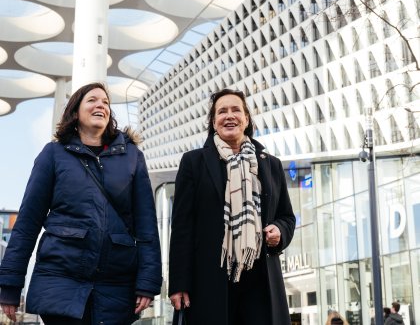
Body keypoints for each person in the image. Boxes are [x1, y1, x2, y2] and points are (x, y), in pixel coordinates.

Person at [0, 82, 162, 325]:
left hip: (116, 285)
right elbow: (27, 223)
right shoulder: (53, 154)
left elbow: (147, 225)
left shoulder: (132, 157)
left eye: (106, 102)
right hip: (60, 280)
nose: (101, 105)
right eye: (92, 100)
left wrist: (147, 282)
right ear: (75, 111)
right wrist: (10, 285)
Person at [169, 89, 296, 325]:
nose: (229, 115)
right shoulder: (193, 162)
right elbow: (182, 228)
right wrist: (179, 284)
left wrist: (279, 231)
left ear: (246, 119)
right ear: (213, 122)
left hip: (261, 277)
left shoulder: (271, 165)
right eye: (222, 111)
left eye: (236, 110)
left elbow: (286, 216)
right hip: (210, 278)